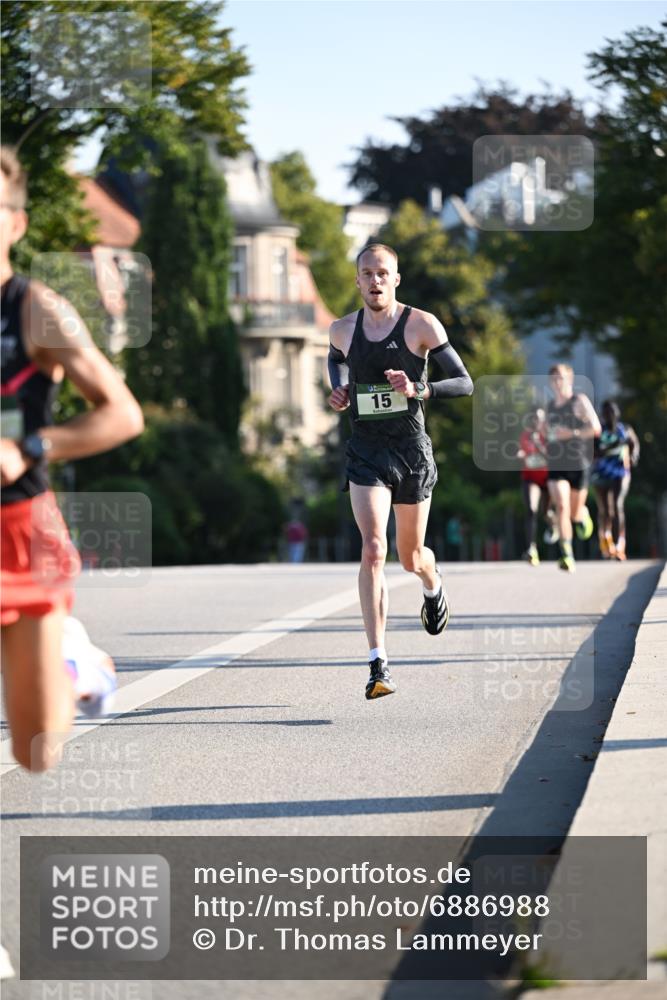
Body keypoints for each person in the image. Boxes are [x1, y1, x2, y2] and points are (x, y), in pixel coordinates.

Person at [0, 146, 144, 771]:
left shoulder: (36, 311)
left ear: (15, 223)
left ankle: (79, 665)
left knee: (36, 751)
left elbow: (122, 412)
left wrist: (31, 447)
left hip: (19, 529)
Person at [327, 243, 473, 700]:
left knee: (411, 558)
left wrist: (418, 388)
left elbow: (465, 382)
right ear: (357, 280)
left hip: (411, 451)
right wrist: (340, 390)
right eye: (366, 273)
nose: (374, 280)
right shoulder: (341, 330)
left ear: (395, 279)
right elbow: (335, 361)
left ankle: (432, 585)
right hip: (366, 451)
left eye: (382, 273)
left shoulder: (421, 325)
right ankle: (378, 663)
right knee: (373, 548)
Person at [545, 364, 601, 573]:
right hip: (556, 463)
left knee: (575, 514)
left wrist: (571, 433)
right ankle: (567, 553)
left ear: (570, 379)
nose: (557, 382)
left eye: (561, 378)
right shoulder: (550, 406)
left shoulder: (579, 401)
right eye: (554, 378)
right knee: (561, 506)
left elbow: (596, 429)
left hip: (579, 463)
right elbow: (548, 432)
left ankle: (582, 515)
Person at [591, 400, 639, 560]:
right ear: (602, 415)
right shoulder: (599, 432)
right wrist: (612, 447)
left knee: (617, 505)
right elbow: (594, 453)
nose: (609, 415)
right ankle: (606, 541)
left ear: (617, 413)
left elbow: (634, 442)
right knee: (605, 510)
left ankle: (620, 545)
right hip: (601, 472)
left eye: (612, 412)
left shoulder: (624, 429)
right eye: (606, 412)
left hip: (620, 471)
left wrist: (633, 456)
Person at [516, 407, 557, 565]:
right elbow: (523, 451)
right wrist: (520, 454)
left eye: (538, 419)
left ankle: (553, 523)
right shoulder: (525, 435)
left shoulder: (549, 435)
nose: (535, 422)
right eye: (533, 418)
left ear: (543, 420)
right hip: (530, 477)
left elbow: (551, 456)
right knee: (531, 510)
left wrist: (538, 444)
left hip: (548, 479)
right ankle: (531, 549)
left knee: (546, 513)